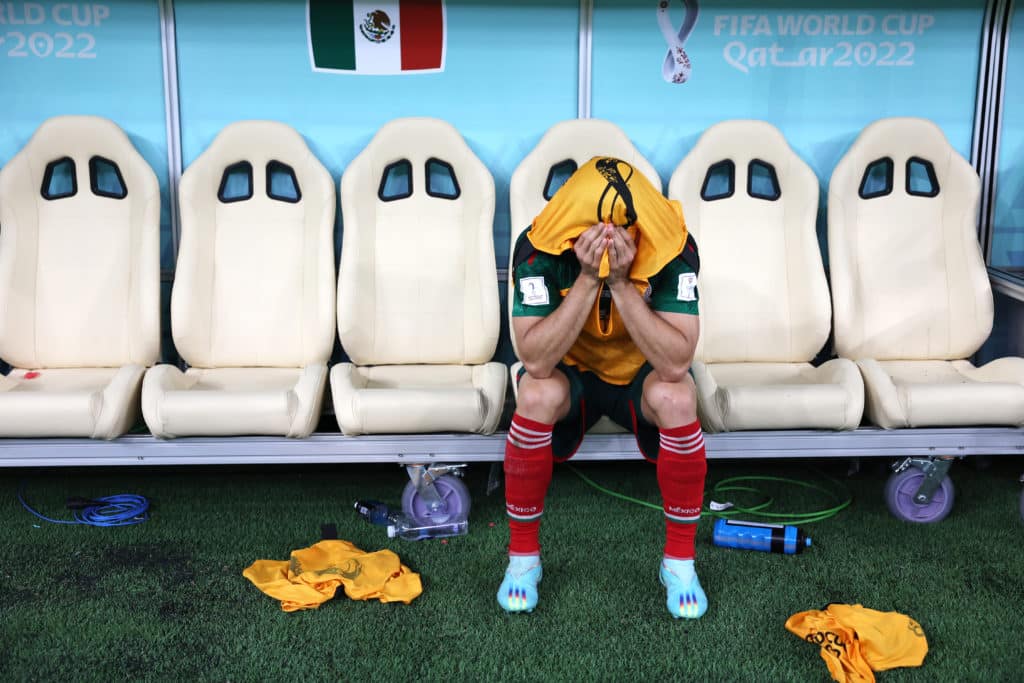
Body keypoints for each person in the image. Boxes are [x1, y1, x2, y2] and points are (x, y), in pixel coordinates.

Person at [499, 156, 706, 619]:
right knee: (535, 392)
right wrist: (591, 278)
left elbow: (676, 363)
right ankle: (522, 560)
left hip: (639, 372)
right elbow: (534, 357)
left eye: (619, 231)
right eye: (594, 232)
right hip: (571, 371)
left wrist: (622, 284)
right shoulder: (538, 247)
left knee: (678, 396)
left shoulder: (673, 245)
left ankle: (679, 563)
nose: (607, 240)